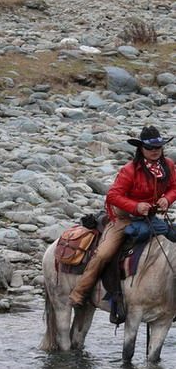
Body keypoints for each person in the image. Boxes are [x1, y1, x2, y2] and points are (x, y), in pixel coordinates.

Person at [69, 125, 176, 306]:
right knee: (103, 254)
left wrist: (167, 198)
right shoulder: (130, 170)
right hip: (123, 219)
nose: (154, 151)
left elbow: (174, 187)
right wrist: (136, 206)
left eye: (158, 147)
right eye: (150, 147)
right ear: (141, 148)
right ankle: (79, 293)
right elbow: (113, 196)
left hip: (150, 217)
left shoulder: (168, 165)